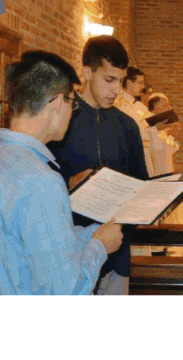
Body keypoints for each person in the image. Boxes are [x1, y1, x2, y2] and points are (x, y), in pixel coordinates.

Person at [0, 51, 123, 295]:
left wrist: (92, 233)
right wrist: (100, 246)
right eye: (72, 103)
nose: (72, 111)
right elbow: (67, 290)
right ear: (59, 102)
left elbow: (35, 243)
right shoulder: (42, 181)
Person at [48, 36, 149, 295]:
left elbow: (141, 184)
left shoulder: (127, 127)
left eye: (121, 81)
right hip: (70, 255)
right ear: (86, 73)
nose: (116, 90)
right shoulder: (60, 121)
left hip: (116, 257)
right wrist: (68, 185)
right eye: (109, 80)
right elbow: (40, 188)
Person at [114, 66, 163, 176]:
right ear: (129, 83)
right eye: (140, 83)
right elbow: (132, 130)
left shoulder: (135, 105)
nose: (143, 86)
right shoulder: (122, 104)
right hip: (132, 154)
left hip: (143, 152)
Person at [145, 93, 181, 176]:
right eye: (166, 105)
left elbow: (170, 151)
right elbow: (158, 149)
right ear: (157, 108)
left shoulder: (161, 125)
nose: (170, 108)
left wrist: (173, 136)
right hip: (157, 173)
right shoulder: (150, 126)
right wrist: (171, 136)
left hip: (166, 170)